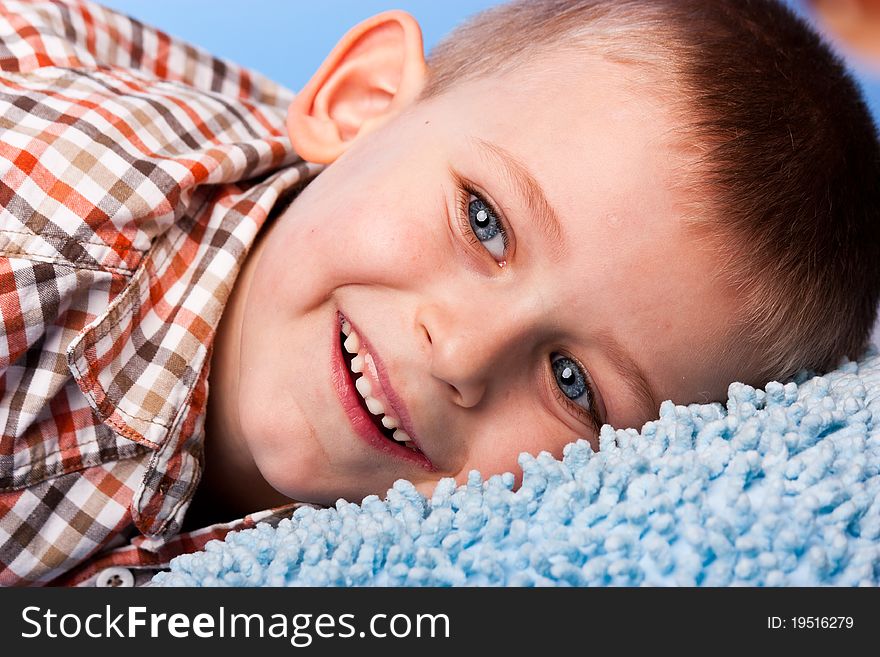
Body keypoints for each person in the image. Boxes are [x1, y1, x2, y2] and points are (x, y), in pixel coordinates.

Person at [1, 0, 878, 586]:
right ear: (360, 104)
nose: (459, 353)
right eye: (484, 222)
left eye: (572, 382)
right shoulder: (41, 265)